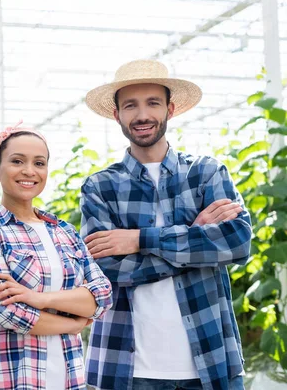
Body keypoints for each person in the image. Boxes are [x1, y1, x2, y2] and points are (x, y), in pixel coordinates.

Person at [80, 59, 252, 390]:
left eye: (152, 103)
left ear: (170, 109)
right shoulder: (100, 187)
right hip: (126, 369)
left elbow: (236, 243)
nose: (142, 115)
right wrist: (197, 239)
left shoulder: (207, 174)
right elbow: (105, 268)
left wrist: (140, 240)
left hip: (212, 361)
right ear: (117, 115)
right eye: (130, 105)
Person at [0, 122, 113, 390]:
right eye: (17, 161)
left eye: (39, 163)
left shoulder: (64, 231)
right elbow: (8, 311)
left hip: (69, 379)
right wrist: (72, 324)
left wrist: (37, 299)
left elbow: (102, 295)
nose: (29, 171)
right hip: (13, 379)